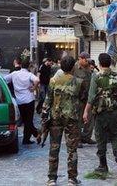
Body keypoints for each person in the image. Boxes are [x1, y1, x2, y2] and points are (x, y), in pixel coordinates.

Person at [83, 53, 117, 175]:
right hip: (115, 113)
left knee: (100, 137)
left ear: (99, 63)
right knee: (115, 135)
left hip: (100, 113)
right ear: (110, 63)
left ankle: (103, 165)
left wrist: (86, 111)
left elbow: (91, 96)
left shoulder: (96, 76)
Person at [44, 56, 82, 186]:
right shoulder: (78, 82)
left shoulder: (53, 81)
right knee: (72, 149)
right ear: (72, 67)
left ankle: (51, 178)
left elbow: (47, 101)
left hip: (55, 117)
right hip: (72, 118)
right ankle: (72, 179)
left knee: (54, 147)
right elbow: (82, 98)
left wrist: (44, 119)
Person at [4, 58, 40, 144]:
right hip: (29, 99)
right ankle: (31, 136)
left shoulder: (14, 74)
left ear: (20, 65)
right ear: (29, 66)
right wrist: (34, 87)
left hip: (19, 101)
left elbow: (4, 80)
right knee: (28, 120)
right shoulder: (29, 74)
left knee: (25, 120)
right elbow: (37, 80)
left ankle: (34, 134)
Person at [74, 52, 96, 147]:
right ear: (80, 58)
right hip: (78, 98)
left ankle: (86, 137)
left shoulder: (89, 68)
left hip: (88, 97)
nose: (87, 62)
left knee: (90, 118)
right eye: (86, 60)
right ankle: (77, 139)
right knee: (78, 119)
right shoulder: (74, 68)